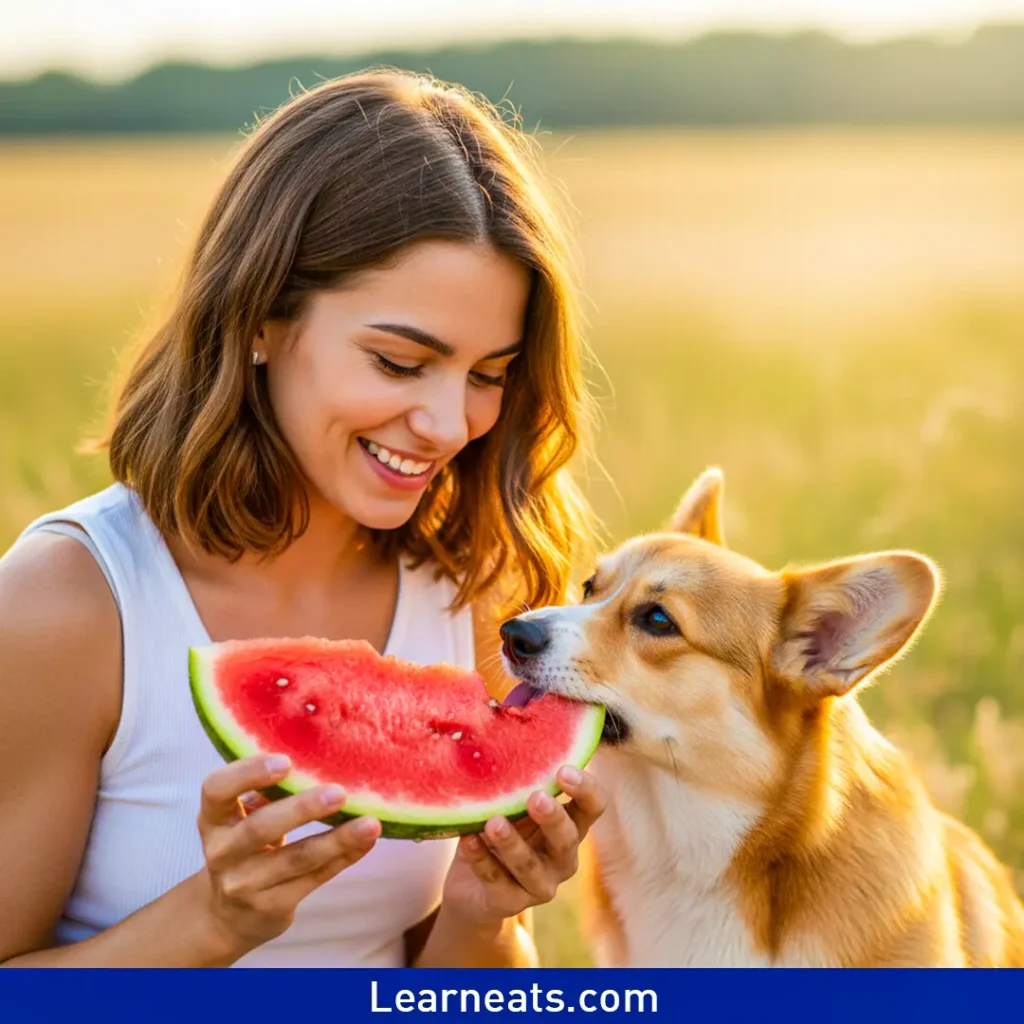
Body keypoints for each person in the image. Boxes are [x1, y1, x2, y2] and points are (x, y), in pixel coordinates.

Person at [0, 70, 606, 968]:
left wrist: (481, 919)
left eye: (488, 374)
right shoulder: (67, 608)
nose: (449, 425)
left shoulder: (477, 588)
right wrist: (210, 924)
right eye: (401, 363)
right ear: (261, 319)